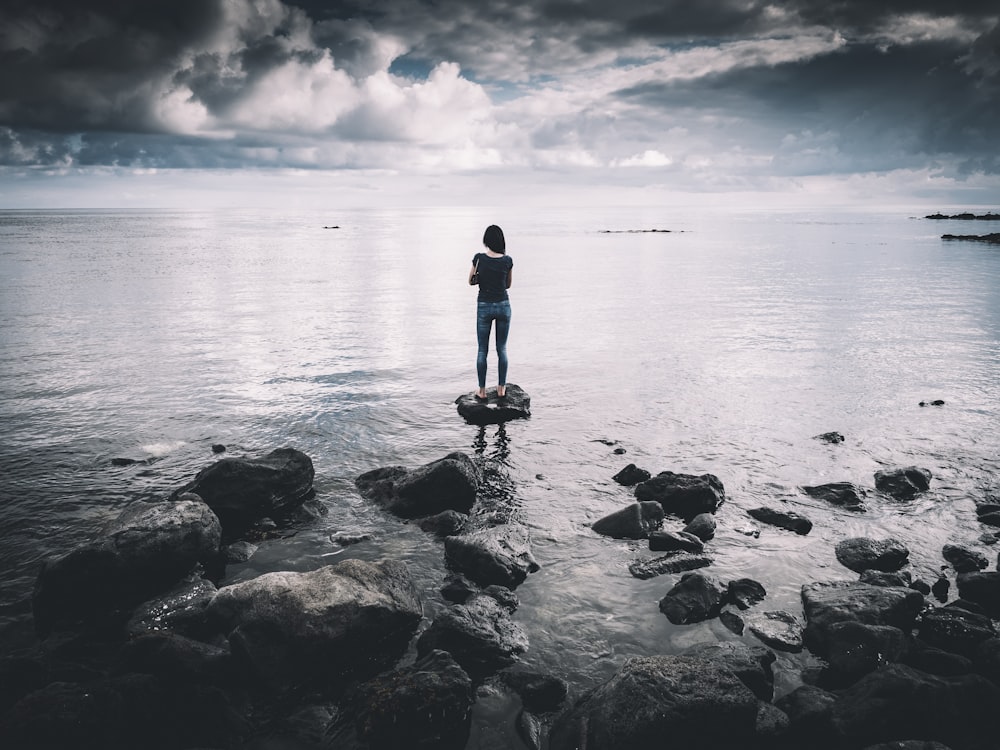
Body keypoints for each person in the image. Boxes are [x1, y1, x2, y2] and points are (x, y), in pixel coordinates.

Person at [469, 224, 513, 399]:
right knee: (501, 348)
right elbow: (508, 285)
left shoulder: (479, 258)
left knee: (482, 350)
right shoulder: (508, 260)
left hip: (484, 306)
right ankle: (501, 388)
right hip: (503, 305)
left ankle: (482, 391)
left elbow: (470, 281)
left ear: (486, 241)